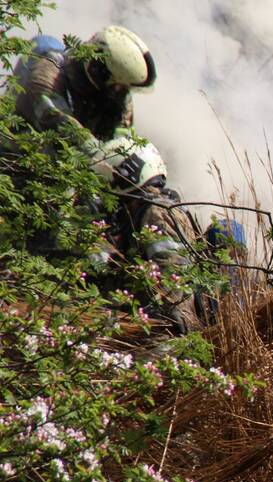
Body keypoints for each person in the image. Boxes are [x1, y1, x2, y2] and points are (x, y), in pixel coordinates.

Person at [10, 26, 155, 176]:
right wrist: (106, 161)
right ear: (99, 71)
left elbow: (122, 140)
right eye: (118, 86)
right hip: (17, 162)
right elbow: (59, 122)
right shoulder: (47, 74)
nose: (120, 92)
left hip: (73, 168)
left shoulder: (117, 94)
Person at [96, 130, 201, 334]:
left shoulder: (156, 213)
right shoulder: (149, 210)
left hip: (167, 333)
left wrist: (167, 325)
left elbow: (173, 272)